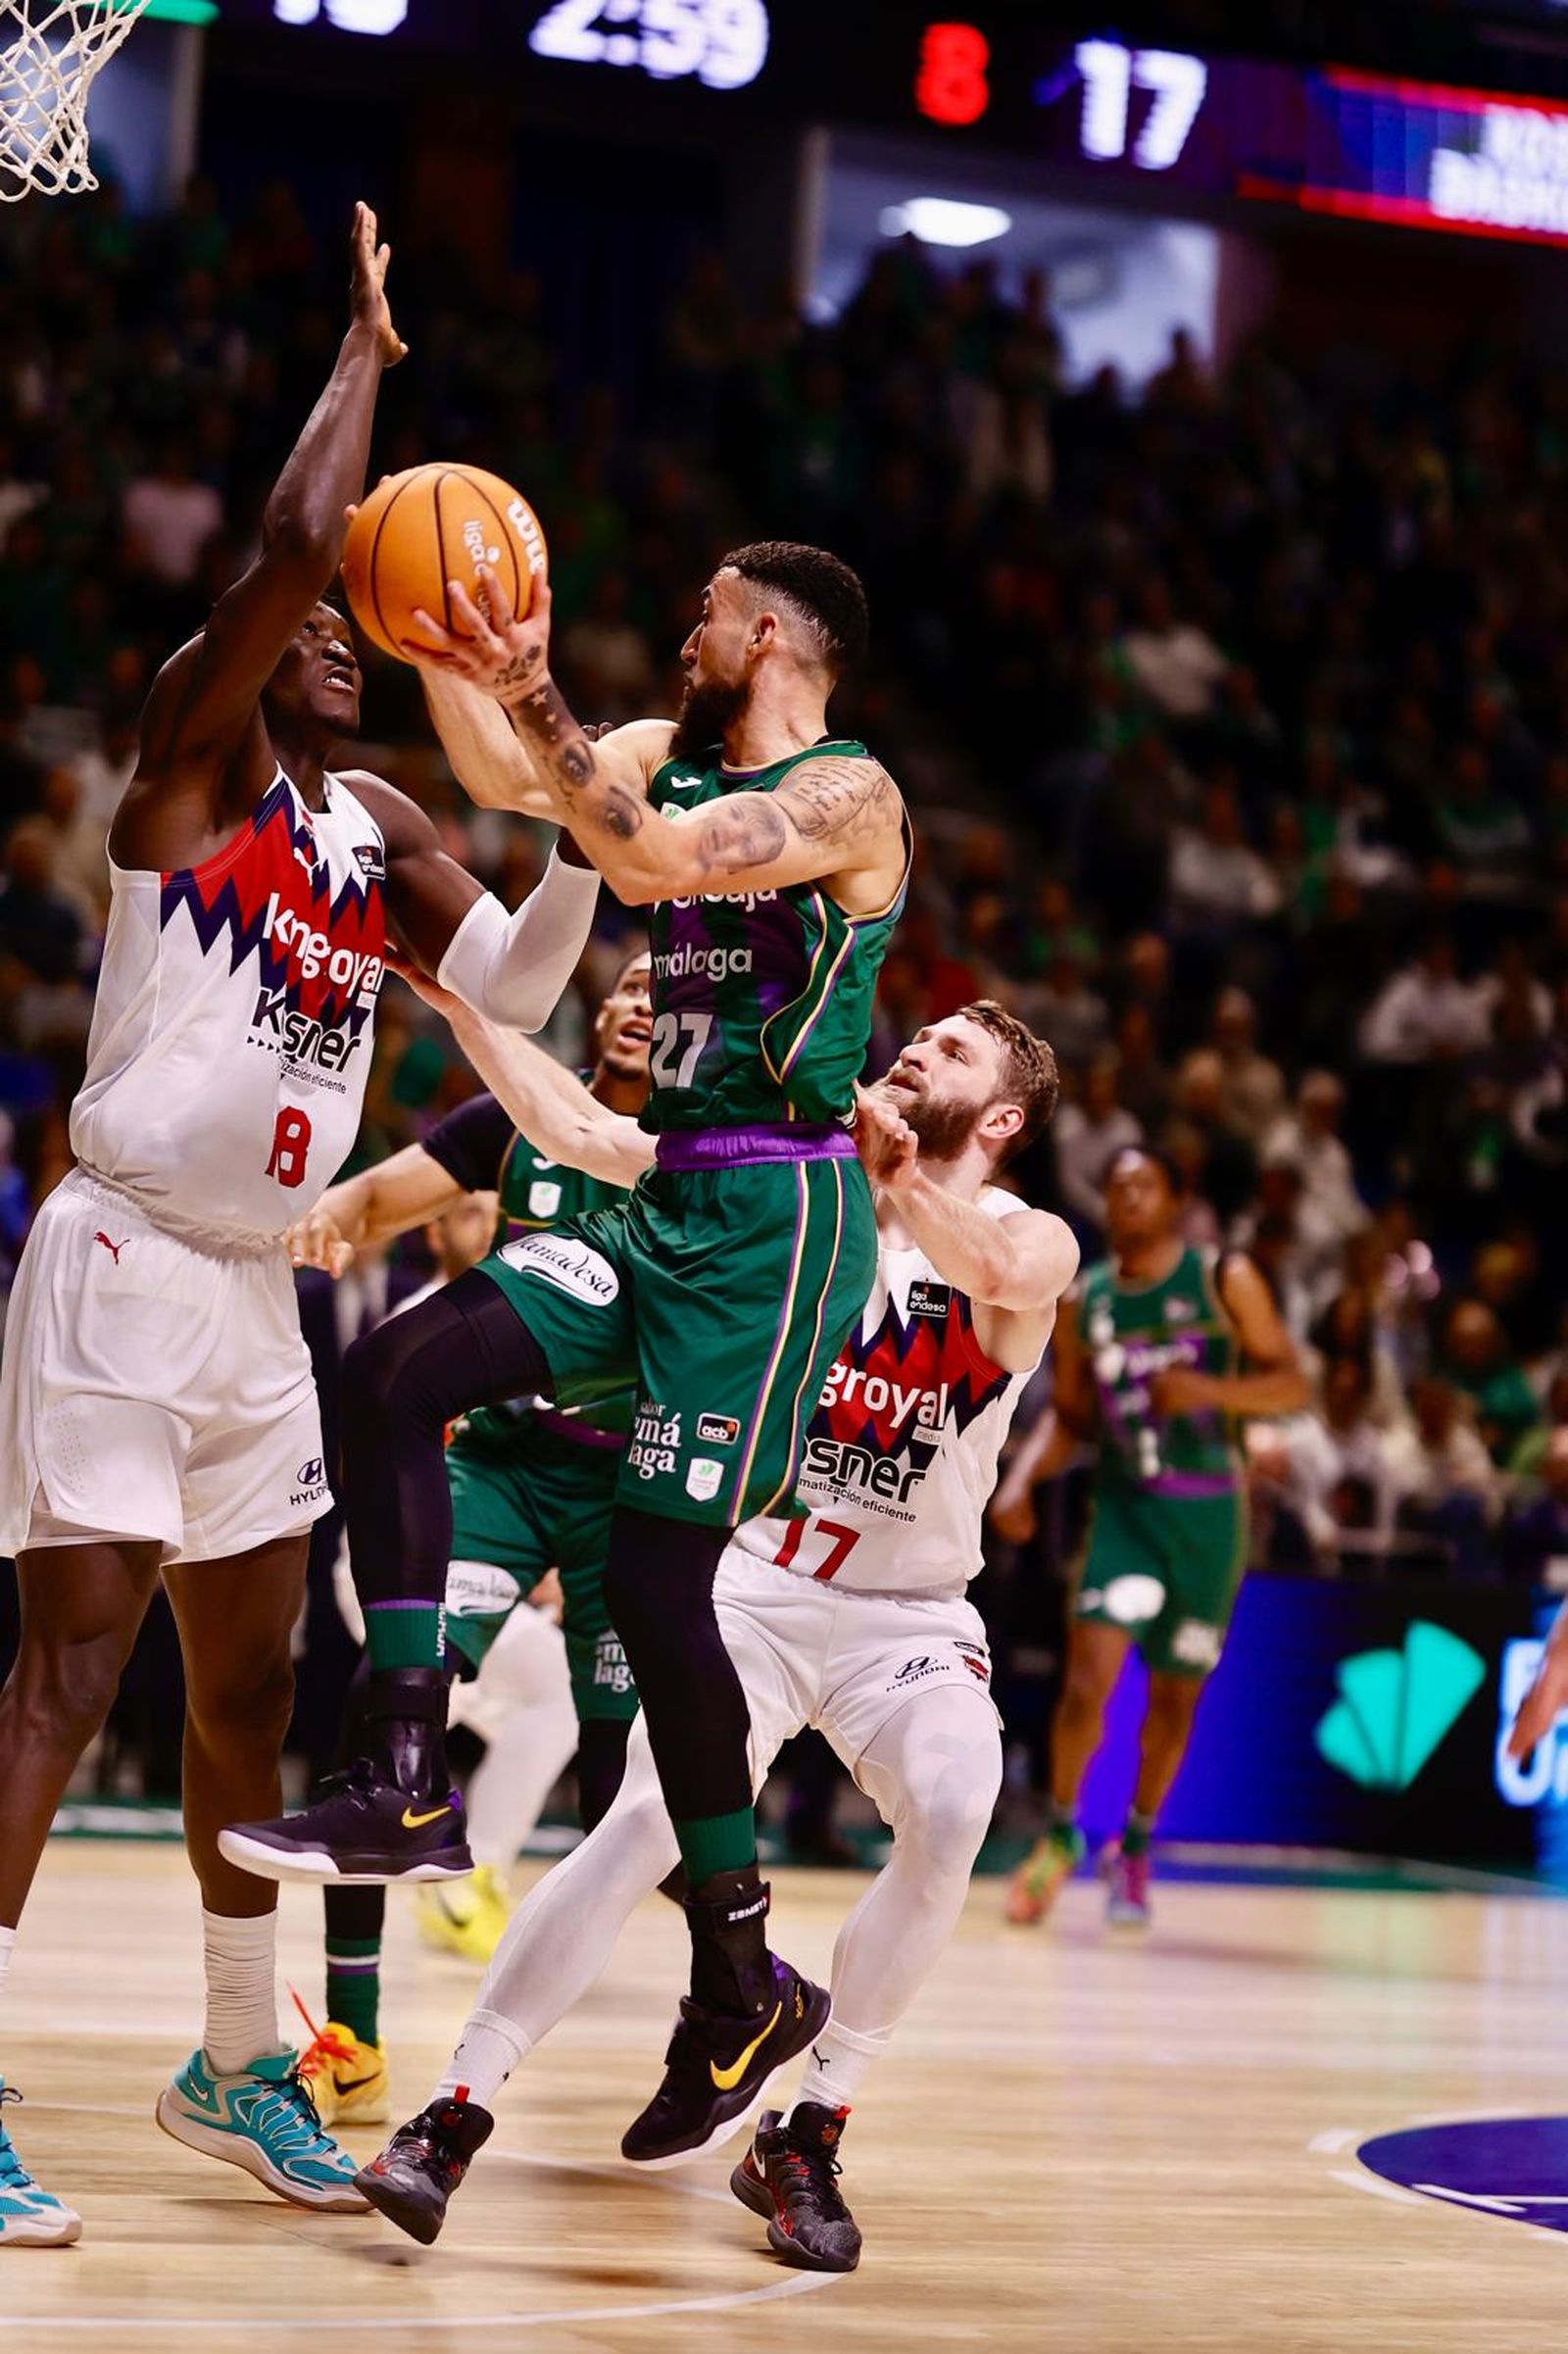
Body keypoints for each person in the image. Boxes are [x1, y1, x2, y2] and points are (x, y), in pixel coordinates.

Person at [0, 207, 606, 2246]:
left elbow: (513, 984)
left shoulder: (386, 828)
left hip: (260, 1296)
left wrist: (578, 825)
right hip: (120, 1261)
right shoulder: (193, 760)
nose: (340, 631)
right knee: (70, 1672)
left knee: (249, 1698)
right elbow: (282, 551)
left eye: (363, 623)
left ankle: (232, 2057)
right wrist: (364, 352)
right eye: (319, 620)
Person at [222, 538, 913, 2169]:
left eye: (705, 611)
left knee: (663, 1592)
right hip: (660, 1187)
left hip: (775, 1219)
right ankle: (407, 1764)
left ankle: (737, 1970)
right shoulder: (666, 751)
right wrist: (449, 642)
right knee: (393, 1374)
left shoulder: (848, 795)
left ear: (765, 633)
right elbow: (503, 775)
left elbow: (655, 862)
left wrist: (538, 691)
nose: (684, 631)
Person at [351, 1002, 1075, 2267]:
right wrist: (465, 1002)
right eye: (918, 1034)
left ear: (1003, 1116)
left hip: (908, 1614)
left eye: (955, 1052)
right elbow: (583, 1131)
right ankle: (452, 2111)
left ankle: (808, 2128)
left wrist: (901, 1175)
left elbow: (1007, 1279)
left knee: (960, 1798)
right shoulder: (792, 1176)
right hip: (753, 1578)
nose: (917, 1046)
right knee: (642, 1819)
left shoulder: (1028, 1234)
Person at [284, 952, 654, 2127]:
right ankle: (353, 2034)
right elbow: (376, 1198)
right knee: (382, 1698)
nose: (644, 1001)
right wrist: (330, 1214)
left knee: (630, 1788)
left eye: (668, 990)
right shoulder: (518, 1120)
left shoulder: (707, 1151)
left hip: (632, 1484)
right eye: (630, 984)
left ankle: (730, 2001)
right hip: (504, 1463)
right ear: (601, 1010)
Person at [993, 1147, 1305, 1931]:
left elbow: (1291, 1382)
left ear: (1176, 1200)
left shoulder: (1223, 1277)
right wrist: (1020, 1480)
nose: (1128, 1197)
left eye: (1144, 1185)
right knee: (1086, 1678)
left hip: (1208, 1521)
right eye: (1116, 1186)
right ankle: (1059, 1835)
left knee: (1174, 1695)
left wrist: (1209, 1390)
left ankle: (1133, 1846)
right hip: (1125, 1511)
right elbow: (1070, 1418)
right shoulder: (1088, 1298)